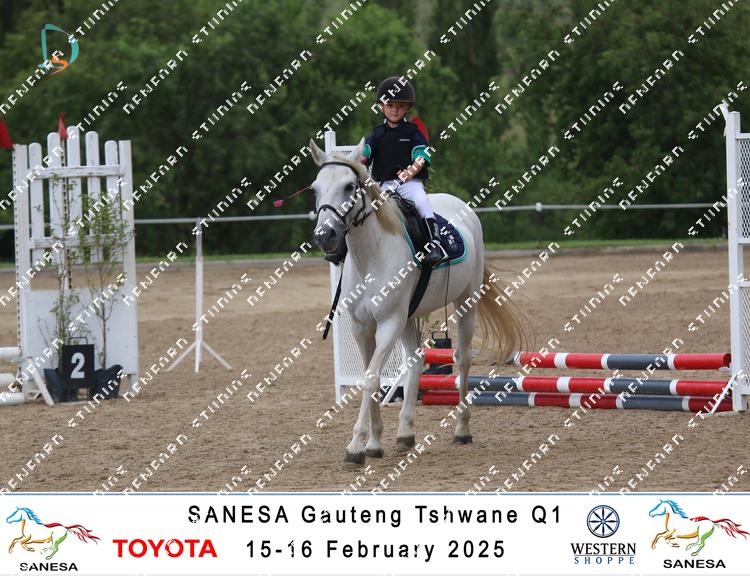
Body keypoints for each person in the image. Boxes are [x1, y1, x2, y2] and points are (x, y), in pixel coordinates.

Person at [362, 76, 448, 267]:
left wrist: (410, 171)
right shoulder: (376, 134)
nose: (395, 110)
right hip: (384, 185)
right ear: (381, 106)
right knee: (365, 208)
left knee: (422, 202)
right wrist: (361, 161)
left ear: (407, 107)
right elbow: (366, 153)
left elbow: (421, 156)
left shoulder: (413, 132)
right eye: (390, 105)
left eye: (400, 106)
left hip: (409, 184)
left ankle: (435, 244)